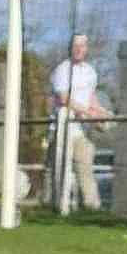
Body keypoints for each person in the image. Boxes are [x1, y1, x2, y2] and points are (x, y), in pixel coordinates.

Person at [49, 33, 110, 211]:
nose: (78, 49)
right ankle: (57, 207)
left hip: (82, 130)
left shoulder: (90, 72)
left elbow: (90, 98)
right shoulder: (62, 70)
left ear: (86, 48)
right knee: (60, 170)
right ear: (70, 48)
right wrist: (86, 112)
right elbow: (63, 98)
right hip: (63, 127)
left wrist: (100, 113)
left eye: (82, 45)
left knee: (85, 168)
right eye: (75, 45)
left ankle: (92, 209)